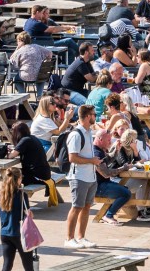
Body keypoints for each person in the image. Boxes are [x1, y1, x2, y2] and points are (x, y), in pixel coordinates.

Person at [64, 105, 99, 249]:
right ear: (87, 116)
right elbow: (72, 157)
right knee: (76, 207)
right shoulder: (76, 134)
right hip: (78, 177)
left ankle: (81, 237)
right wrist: (92, 161)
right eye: (93, 114)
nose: (95, 116)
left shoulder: (89, 132)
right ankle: (69, 239)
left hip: (90, 176)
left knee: (86, 207)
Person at [0, 167, 37, 271]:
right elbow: (29, 215)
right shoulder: (22, 195)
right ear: (18, 179)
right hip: (20, 234)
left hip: (4, 233)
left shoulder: (1, 194)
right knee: (28, 265)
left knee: (7, 264)